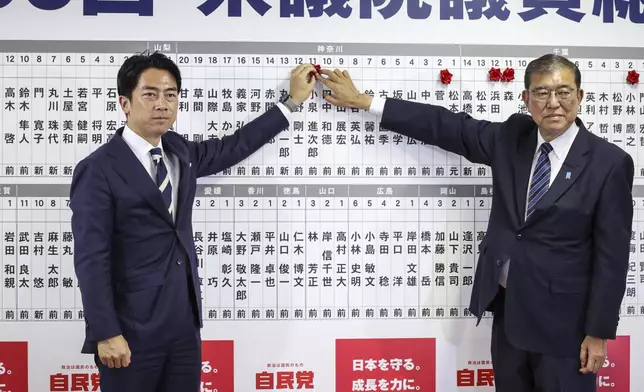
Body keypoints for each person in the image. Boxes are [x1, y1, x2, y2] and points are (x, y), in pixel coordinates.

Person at [315, 55, 633, 391]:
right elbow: (447, 126)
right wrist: (366, 101)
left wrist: (598, 332)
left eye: (563, 92)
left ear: (580, 97)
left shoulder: (609, 163)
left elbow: (612, 257)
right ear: (526, 100)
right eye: (541, 93)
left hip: (566, 328)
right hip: (509, 316)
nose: (553, 103)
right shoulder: (513, 138)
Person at [69, 51, 318, 391]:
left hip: (184, 327)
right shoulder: (98, 169)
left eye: (170, 95)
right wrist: (106, 332)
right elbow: (90, 258)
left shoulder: (178, 151)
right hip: (130, 332)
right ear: (124, 103)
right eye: (150, 94)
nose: (162, 104)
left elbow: (235, 146)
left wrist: (290, 103)